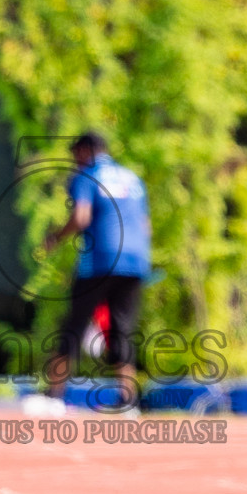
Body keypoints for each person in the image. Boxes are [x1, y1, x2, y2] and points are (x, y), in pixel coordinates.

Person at [42, 133, 151, 411]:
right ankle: (129, 400)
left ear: (85, 151)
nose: (73, 161)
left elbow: (81, 217)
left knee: (74, 325)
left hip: (100, 260)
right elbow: (145, 225)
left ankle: (53, 396)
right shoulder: (132, 178)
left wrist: (55, 237)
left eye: (75, 154)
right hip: (136, 261)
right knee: (121, 329)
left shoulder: (87, 175)